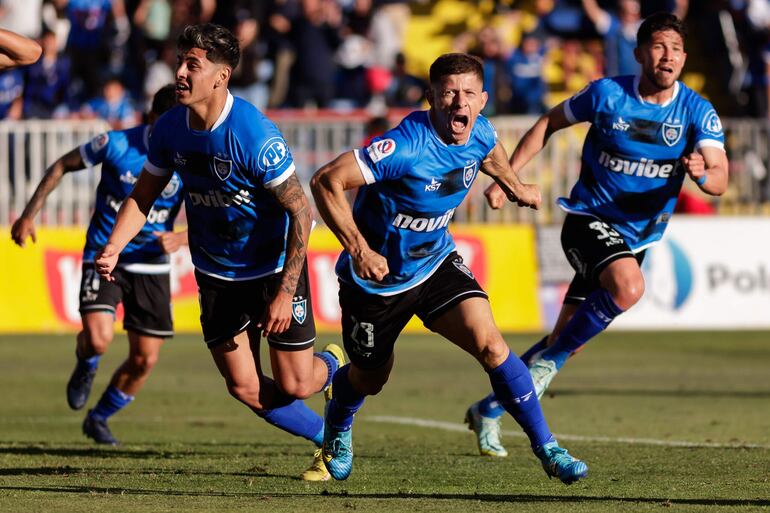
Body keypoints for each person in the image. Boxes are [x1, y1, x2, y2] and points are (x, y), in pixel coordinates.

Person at [311, 52, 588, 484]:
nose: (459, 103)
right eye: (449, 94)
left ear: (482, 100)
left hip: (436, 263)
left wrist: (512, 184)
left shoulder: (479, 130)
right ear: (431, 99)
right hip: (378, 284)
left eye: (468, 94)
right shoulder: (404, 147)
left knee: (492, 345)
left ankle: (548, 448)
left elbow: (490, 149)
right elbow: (326, 180)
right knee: (370, 378)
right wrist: (359, 249)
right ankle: (338, 426)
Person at [466, 12, 729, 457]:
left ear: (685, 59)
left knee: (569, 337)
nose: (669, 56)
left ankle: (490, 407)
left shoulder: (696, 110)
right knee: (628, 287)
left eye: (677, 50)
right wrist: (506, 178)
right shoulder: (607, 94)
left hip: (637, 237)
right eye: (660, 46)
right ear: (641, 52)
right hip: (587, 219)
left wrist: (704, 174)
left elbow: (720, 177)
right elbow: (548, 123)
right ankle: (550, 363)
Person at [93, 23, 343, 481]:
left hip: (270, 269)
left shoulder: (252, 133)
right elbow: (142, 197)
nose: (181, 73)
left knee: (294, 382)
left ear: (221, 76)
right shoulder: (169, 127)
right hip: (215, 273)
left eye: (194, 64)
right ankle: (331, 435)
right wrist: (113, 247)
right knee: (244, 386)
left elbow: (301, 213)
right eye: (180, 62)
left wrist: (285, 292)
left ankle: (330, 365)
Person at [11, 84, 186, 445]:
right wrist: (29, 215)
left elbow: (217, 207)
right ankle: (87, 363)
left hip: (151, 263)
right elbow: (62, 164)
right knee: (99, 337)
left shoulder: (191, 156)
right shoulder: (115, 144)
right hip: (104, 254)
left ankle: (99, 418)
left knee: (144, 360)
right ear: (151, 119)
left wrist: (182, 237)